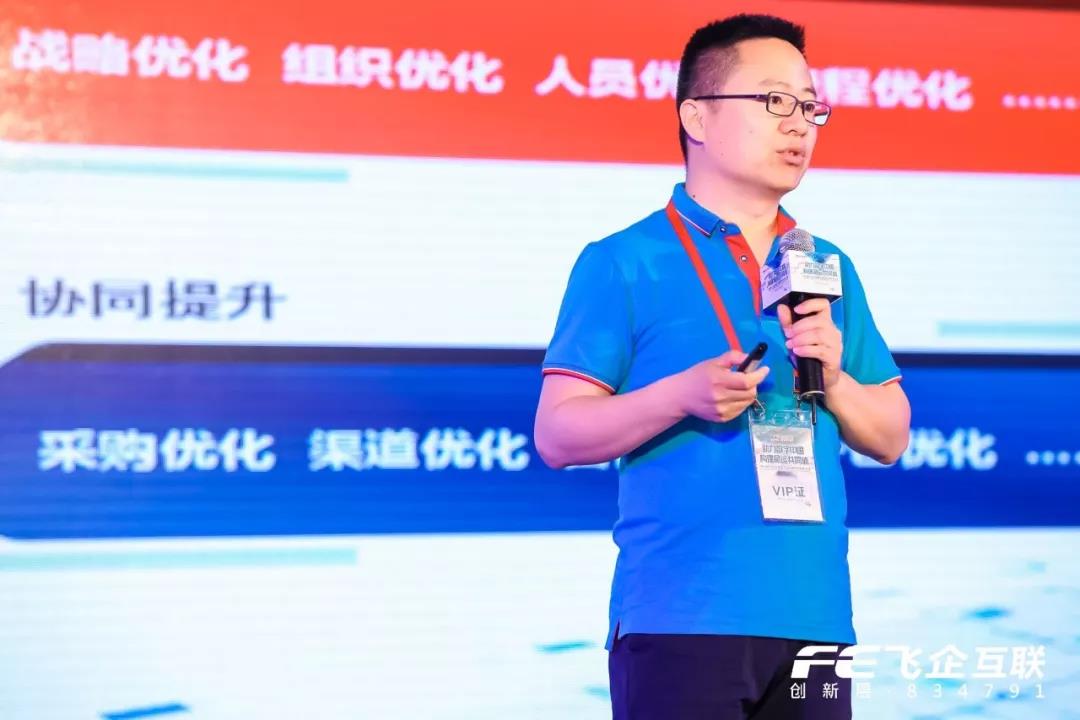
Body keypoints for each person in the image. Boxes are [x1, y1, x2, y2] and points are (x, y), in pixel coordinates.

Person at [533, 13, 911, 720]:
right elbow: (557, 434)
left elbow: (891, 434)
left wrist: (833, 378)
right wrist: (680, 396)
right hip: (682, 619)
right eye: (774, 100)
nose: (798, 124)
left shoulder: (826, 264)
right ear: (696, 116)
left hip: (817, 621)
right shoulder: (622, 261)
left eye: (810, 106)